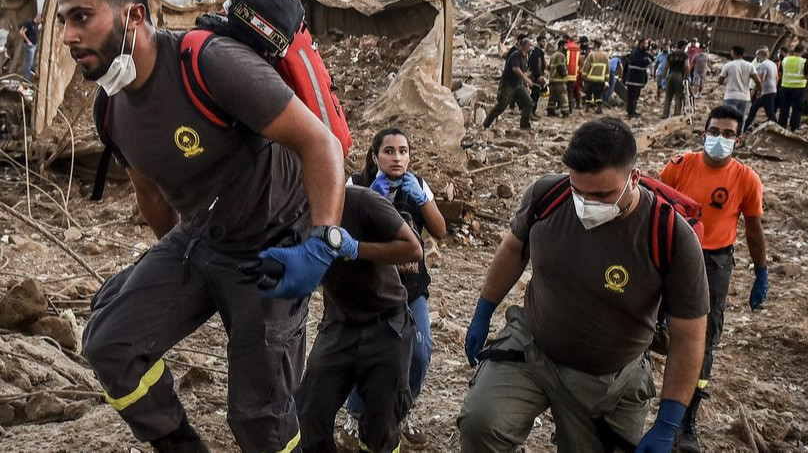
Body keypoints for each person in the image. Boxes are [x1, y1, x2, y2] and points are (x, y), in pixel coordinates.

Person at [51, 0, 346, 452]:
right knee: (111, 344)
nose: (67, 37)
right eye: (63, 21)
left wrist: (321, 245)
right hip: (204, 237)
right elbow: (150, 193)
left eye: (82, 17)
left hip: (276, 243)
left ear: (134, 16)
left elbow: (323, 145)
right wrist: (184, 275)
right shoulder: (111, 107)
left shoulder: (207, 63)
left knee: (258, 416)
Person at [458, 118, 709, 452]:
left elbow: (689, 336)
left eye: (602, 194)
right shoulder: (549, 195)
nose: (587, 203)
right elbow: (514, 249)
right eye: (580, 191)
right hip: (534, 348)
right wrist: (483, 310)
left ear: (634, 178)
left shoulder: (670, 235)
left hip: (609, 377)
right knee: (480, 423)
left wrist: (667, 423)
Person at [660, 105, 769, 452]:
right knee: (645, 326)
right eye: (714, 132)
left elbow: (753, 229)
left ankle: (684, 420)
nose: (718, 140)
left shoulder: (745, 179)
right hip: (673, 252)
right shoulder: (680, 166)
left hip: (713, 263)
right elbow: (653, 208)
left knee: (704, 342)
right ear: (703, 132)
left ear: (738, 139)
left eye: (727, 134)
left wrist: (761, 270)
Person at [291, 185, 422, 452]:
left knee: (380, 427)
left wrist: (357, 248)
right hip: (339, 325)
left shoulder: (361, 201)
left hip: (386, 326)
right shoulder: (291, 207)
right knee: (308, 412)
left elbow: (413, 249)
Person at [343, 128, 447, 449]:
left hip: (410, 288)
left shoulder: (415, 185)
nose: (397, 157)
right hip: (367, 287)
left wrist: (423, 198)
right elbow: (342, 233)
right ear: (375, 156)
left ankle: (402, 412)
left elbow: (441, 231)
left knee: (419, 351)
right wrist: (368, 200)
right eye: (389, 151)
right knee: (361, 351)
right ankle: (356, 414)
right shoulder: (356, 185)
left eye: (403, 151)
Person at [484, 37, 534, 130]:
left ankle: (525, 125)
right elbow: (516, 69)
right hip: (508, 84)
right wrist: (526, 80)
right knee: (502, 105)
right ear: (525, 45)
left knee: (528, 102)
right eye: (529, 45)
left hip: (518, 84)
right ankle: (486, 124)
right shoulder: (516, 55)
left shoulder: (525, 57)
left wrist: (525, 84)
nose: (531, 47)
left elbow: (524, 70)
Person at [717, 46, 761, 127]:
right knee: (741, 119)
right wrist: (759, 91)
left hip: (731, 96)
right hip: (744, 97)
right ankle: (739, 136)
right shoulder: (750, 66)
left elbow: (720, 81)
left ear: (733, 52)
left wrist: (727, 81)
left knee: (728, 118)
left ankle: (728, 136)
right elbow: (758, 81)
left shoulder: (728, 65)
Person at [778, 44, 808, 132]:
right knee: (797, 109)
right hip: (799, 88)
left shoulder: (785, 60)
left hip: (785, 87)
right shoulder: (804, 61)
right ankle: (794, 127)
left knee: (784, 108)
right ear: (803, 51)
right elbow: (807, 76)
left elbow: (780, 74)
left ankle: (782, 125)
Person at [745, 47, 778, 131]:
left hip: (766, 92)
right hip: (772, 90)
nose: (757, 58)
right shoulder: (773, 64)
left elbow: (761, 79)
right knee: (754, 108)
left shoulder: (763, 65)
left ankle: (777, 128)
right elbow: (777, 78)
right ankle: (744, 127)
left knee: (769, 113)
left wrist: (755, 90)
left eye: (757, 56)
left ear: (761, 55)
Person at [625, 38, 652, 118]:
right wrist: (649, 58)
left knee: (635, 96)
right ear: (641, 43)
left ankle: (632, 111)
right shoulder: (637, 53)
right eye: (646, 43)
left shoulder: (640, 53)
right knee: (632, 96)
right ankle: (631, 113)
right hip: (634, 79)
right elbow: (644, 63)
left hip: (637, 79)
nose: (647, 45)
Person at [580, 39, 609, 113]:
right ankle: (599, 108)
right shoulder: (605, 55)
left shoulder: (591, 54)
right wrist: (606, 80)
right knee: (599, 94)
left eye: (593, 44)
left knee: (588, 93)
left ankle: (587, 108)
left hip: (590, 79)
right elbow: (608, 68)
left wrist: (583, 75)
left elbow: (586, 66)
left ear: (596, 45)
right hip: (600, 79)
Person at [663, 40, 689, 119]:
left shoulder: (670, 54)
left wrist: (664, 77)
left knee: (668, 96)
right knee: (678, 96)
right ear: (684, 46)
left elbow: (666, 67)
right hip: (679, 76)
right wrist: (687, 76)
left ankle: (665, 114)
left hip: (671, 75)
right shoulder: (684, 55)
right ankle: (676, 115)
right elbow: (687, 66)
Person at [546, 39, 570, 118]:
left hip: (552, 79)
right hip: (559, 81)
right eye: (565, 46)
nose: (566, 48)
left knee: (553, 96)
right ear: (561, 46)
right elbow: (561, 67)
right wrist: (565, 74)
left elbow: (549, 67)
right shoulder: (561, 55)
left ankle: (550, 110)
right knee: (563, 96)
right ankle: (565, 112)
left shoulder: (553, 55)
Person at [528, 35, 548, 119]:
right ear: (538, 42)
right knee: (534, 95)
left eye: (545, 42)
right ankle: (530, 113)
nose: (544, 43)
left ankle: (533, 112)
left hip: (538, 76)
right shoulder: (536, 53)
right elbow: (536, 65)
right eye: (543, 41)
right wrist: (539, 76)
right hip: (536, 77)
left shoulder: (539, 52)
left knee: (536, 95)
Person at [18, 14, 41, 81]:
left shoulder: (35, 26)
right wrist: (28, 41)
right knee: (29, 62)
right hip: (29, 46)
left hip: (34, 46)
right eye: (40, 20)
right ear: (37, 17)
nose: (40, 21)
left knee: (32, 61)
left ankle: (32, 71)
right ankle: (26, 78)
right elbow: (21, 32)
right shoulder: (29, 23)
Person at [565, 35, 581, 112]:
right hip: (575, 73)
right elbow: (579, 60)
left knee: (568, 91)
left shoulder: (566, 47)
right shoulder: (577, 48)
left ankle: (569, 107)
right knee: (575, 89)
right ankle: (578, 104)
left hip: (566, 72)